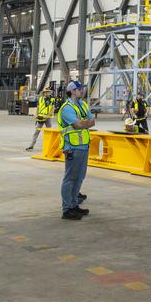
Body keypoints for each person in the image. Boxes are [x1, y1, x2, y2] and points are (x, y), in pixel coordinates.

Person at [57, 81, 94, 220]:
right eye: (79, 89)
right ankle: (67, 209)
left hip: (84, 145)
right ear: (72, 91)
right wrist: (84, 123)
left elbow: (92, 121)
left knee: (79, 177)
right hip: (72, 147)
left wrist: (82, 124)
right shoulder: (67, 108)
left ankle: (73, 205)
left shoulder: (82, 105)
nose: (82, 90)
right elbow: (78, 125)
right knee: (70, 178)